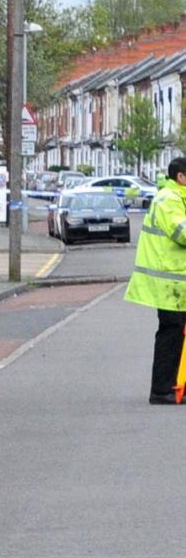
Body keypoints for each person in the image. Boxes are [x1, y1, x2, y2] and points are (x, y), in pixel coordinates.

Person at [127, 154, 186, 404]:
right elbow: (181, 232)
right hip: (169, 282)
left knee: (177, 334)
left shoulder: (176, 197)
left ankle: (175, 385)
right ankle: (162, 390)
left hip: (175, 282)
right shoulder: (169, 199)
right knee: (171, 334)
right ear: (181, 177)